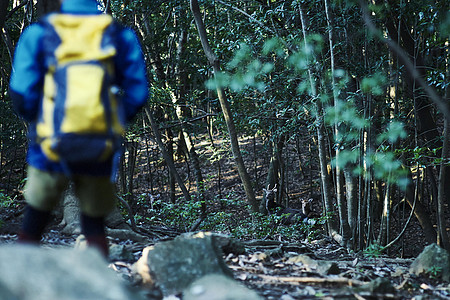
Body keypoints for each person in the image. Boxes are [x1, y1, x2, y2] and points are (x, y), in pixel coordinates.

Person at [9, 0, 148, 256]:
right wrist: (112, 121)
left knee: (35, 218)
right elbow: (138, 93)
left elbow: (21, 93)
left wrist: (39, 121)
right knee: (94, 222)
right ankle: (98, 284)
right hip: (101, 142)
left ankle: (18, 284)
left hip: (49, 144)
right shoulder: (119, 35)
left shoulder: (39, 34)